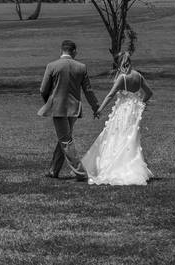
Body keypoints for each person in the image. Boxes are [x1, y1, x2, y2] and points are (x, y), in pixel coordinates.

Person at [81, 51, 153, 185]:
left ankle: (114, 166)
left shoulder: (122, 78)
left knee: (116, 136)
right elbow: (149, 93)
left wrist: (99, 109)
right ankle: (131, 165)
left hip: (122, 112)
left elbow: (110, 95)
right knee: (130, 137)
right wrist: (140, 103)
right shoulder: (138, 76)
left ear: (119, 63)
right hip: (133, 112)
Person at [38, 40, 101, 181]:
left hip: (58, 109)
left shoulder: (52, 66)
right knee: (64, 139)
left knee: (65, 140)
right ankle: (53, 170)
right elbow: (88, 91)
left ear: (61, 50)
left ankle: (81, 173)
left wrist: (49, 102)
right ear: (73, 51)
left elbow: (43, 89)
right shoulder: (81, 67)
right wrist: (95, 107)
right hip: (73, 109)